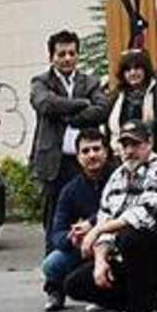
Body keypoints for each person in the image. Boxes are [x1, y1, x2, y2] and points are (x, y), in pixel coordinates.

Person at [65, 119, 157, 312]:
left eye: (136, 144)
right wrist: (100, 261)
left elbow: (144, 216)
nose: (129, 150)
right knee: (75, 283)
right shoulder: (116, 177)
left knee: (132, 235)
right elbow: (105, 217)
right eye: (125, 145)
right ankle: (137, 304)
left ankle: (150, 308)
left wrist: (96, 229)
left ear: (150, 143)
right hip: (128, 255)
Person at [29, 30, 111, 252]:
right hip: (55, 164)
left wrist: (66, 112)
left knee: (90, 216)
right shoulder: (40, 81)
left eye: (72, 53)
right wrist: (82, 103)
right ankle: (53, 277)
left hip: (87, 162)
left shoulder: (91, 81)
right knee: (55, 222)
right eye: (61, 54)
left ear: (78, 55)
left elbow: (103, 109)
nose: (67, 58)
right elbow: (44, 103)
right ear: (51, 57)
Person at [40, 127, 113, 312]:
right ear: (78, 157)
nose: (92, 155)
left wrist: (91, 224)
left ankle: (111, 295)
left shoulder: (119, 176)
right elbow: (56, 233)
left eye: (96, 149)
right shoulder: (70, 190)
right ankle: (61, 292)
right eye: (85, 151)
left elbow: (119, 210)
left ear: (106, 151)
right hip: (84, 248)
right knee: (51, 265)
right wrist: (73, 237)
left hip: (116, 240)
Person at [107, 48, 157, 144]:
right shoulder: (115, 97)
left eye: (137, 68)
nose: (132, 73)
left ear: (145, 69)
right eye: (127, 69)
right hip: (119, 152)